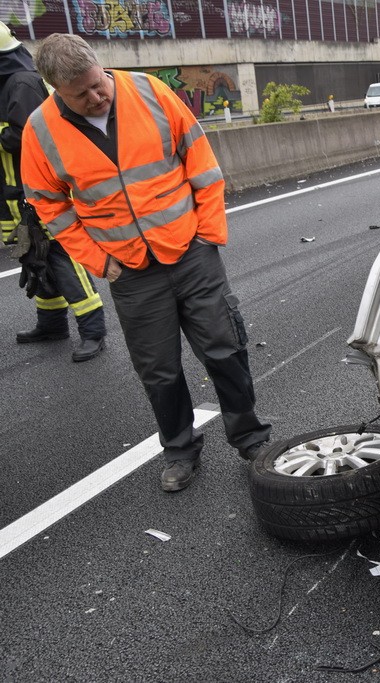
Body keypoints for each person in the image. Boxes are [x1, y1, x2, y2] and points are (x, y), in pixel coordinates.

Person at [21, 33, 272, 492]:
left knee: (224, 347)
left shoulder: (149, 91)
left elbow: (200, 158)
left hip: (191, 252)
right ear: (56, 89)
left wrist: (208, 232)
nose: (97, 96)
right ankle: (179, 450)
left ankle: (251, 437)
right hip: (131, 270)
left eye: (99, 84)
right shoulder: (40, 131)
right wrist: (99, 260)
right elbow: (48, 205)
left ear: (102, 68)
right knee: (158, 369)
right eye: (82, 94)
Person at [0, 22, 106, 361]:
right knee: (36, 258)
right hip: (14, 194)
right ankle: (51, 323)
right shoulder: (9, 83)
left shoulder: (21, 82)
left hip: (33, 192)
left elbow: (32, 136)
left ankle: (93, 329)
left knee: (60, 256)